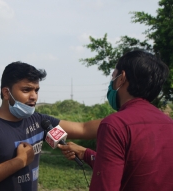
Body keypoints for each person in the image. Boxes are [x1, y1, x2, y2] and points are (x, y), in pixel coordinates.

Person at [0, 61, 101, 191]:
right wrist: (19, 161)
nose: (34, 96)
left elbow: (84, 129)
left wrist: (120, 121)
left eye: (36, 90)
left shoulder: (40, 121)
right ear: (6, 92)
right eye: (26, 90)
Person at [58, 50, 173, 191]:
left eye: (113, 76)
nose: (111, 82)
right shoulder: (168, 123)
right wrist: (86, 154)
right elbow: (134, 168)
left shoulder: (114, 125)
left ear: (121, 78)